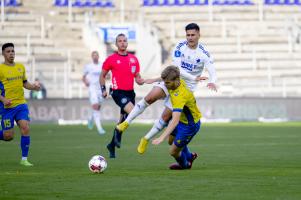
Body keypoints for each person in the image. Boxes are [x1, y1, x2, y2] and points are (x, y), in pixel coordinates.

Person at [116, 23, 217, 154]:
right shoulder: (180, 46)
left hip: (184, 88)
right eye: (188, 35)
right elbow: (177, 68)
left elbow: (212, 71)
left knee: (165, 117)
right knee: (150, 97)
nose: (190, 37)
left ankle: (145, 139)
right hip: (172, 78)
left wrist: (213, 81)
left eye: (193, 35)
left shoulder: (204, 53)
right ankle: (126, 123)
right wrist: (193, 77)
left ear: (199, 35)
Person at [99, 33, 145, 158]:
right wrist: (103, 89)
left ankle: (111, 145)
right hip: (117, 91)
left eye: (125, 41)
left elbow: (137, 76)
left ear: (127, 43)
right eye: (120, 41)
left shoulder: (133, 59)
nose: (123, 43)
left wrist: (140, 80)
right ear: (116, 44)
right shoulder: (111, 59)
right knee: (133, 111)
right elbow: (102, 75)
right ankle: (118, 133)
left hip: (130, 92)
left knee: (122, 121)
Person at [0, 43, 41, 166]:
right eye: (8, 51)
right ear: (3, 54)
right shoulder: (0, 69)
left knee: (25, 127)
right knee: (8, 136)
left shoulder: (20, 67)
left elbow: (24, 83)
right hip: (6, 107)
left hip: (21, 104)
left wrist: (34, 87)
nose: (11, 53)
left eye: (13, 51)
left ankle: (24, 159)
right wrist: (2, 99)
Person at [152, 66, 201, 170]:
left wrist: (161, 138)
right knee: (171, 141)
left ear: (176, 80)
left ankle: (185, 165)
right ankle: (190, 156)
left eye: (168, 83)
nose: (165, 85)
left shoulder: (180, 95)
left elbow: (174, 121)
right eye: (165, 82)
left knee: (173, 151)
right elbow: (167, 77)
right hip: (183, 121)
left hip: (189, 125)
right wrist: (152, 80)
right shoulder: (176, 80)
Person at [82, 51, 106, 135]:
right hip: (92, 88)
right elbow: (83, 77)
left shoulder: (102, 65)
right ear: (92, 57)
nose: (95, 57)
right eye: (94, 56)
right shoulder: (88, 66)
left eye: (96, 55)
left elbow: (106, 74)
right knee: (95, 106)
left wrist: (108, 76)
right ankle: (100, 128)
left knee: (97, 108)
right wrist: (86, 82)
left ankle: (91, 118)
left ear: (98, 57)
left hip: (100, 88)